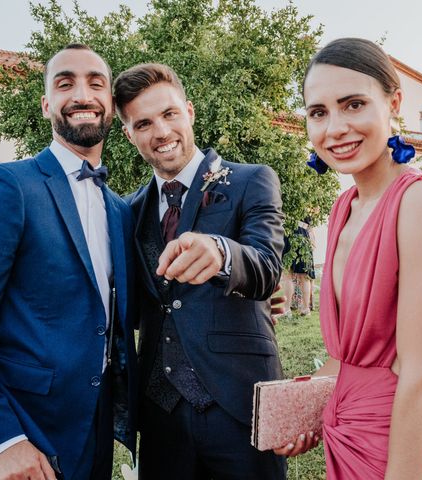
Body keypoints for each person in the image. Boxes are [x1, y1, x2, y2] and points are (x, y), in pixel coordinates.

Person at [0, 44, 138, 480]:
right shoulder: (8, 186)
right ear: (47, 104)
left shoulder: (119, 209)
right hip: (29, 432)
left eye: (96, 83)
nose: (82, 94)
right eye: (65, 83)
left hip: (98, 426)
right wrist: (2, 441)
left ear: (111, 106)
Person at [276, 38, 422, 479]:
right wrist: (305, 404)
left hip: (409, 454)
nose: (335, 128)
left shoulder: (419, 201)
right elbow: (352, 358)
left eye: (353, 104)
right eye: (318, 112)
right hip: (348, 442)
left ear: (394, 103)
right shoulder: (344, 207)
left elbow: (421, 375)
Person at [114, 63, 288, 480]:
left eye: (169, 114)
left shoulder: (251, 181)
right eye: (144, 123)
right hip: (160, 415)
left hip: (239, 403)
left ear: (189, 112)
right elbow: (135, 306)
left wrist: (224, 252)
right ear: (129, 134)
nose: (161, 131)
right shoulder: (129, 210)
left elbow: (266, 267)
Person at [289, 213, 316, 315]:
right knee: (304, 275)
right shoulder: (307, 204)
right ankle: (305, 307)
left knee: (291, 274)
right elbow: (310, 224)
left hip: (295, 233)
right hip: (304, 233)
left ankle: (299, 307)